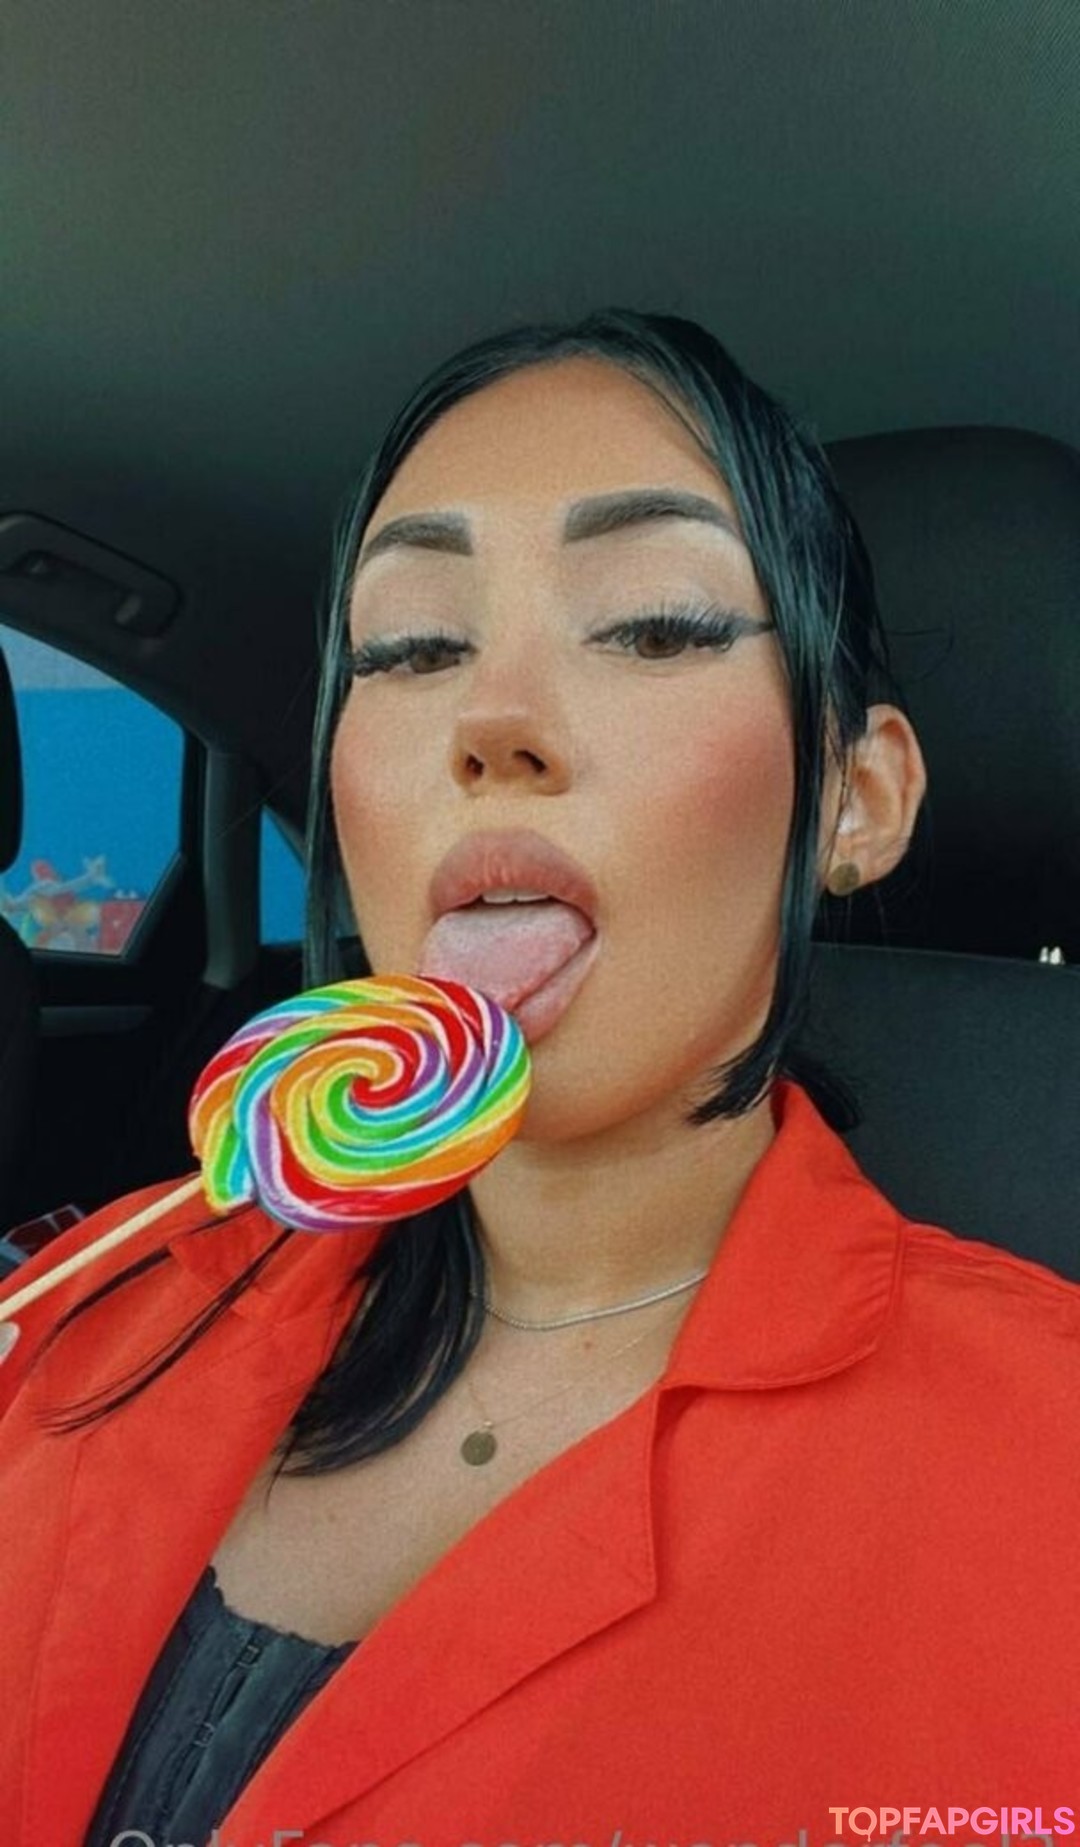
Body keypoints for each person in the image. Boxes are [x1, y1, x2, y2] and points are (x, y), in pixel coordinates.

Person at [1, 309, 1078, 1847]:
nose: (490, 724)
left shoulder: (1045, 1482)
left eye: (650, 624)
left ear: (855, 797)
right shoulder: (92, 1314)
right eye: (410, 649)